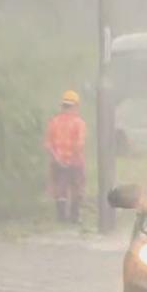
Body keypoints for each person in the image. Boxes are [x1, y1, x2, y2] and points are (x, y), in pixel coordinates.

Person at [45, 90, 88, 223]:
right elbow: (79, 144)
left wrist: (58, 158)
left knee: (60, 189)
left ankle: (61, 217)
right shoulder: (79, 123)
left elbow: (48, 144)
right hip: (75, 162)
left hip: (57, 162)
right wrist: (71, 159)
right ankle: (74, 217)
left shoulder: (54, 122)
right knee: (76, 188)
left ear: (63, 105)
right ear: (76, 106)